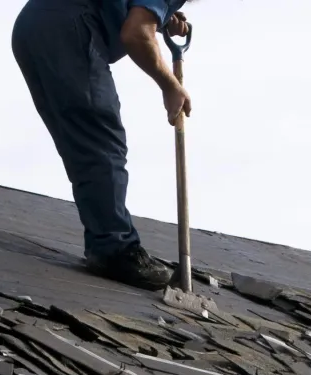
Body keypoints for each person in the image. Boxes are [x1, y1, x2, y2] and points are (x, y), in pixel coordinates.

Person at [12, 0, 194, 290]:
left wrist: (160, 16)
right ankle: (114, 249)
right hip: (68, 29)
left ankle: (107, 243)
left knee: (84, 143)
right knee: (100, 138)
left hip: (33, 27)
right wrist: (170, 84)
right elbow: (136, 33)